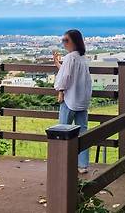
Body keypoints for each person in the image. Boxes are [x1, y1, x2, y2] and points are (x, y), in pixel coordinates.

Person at [53, 29, 92, 174]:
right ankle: (82, 165)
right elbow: (70, 73)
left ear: (74, 41)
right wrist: (58, 63)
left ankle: (62, 163)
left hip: (69, 100)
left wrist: (60, 90)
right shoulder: (82, 58)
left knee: (63, 131)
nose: (64, 43)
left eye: (66, 40)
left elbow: (65, 77)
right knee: (82, 132)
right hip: (82, 100)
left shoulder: (70, 58)